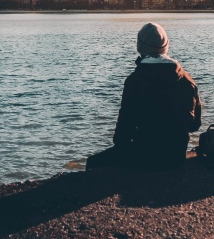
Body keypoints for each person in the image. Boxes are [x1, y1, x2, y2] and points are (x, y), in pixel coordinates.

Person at [86, 22, 202, 170]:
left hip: (144, 156)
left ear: (140, 47)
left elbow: (123, 133)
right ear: (166, 46)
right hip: (176, 157)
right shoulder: (187, 80)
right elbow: (194, 125)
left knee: (93, 163)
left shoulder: (135, 81)